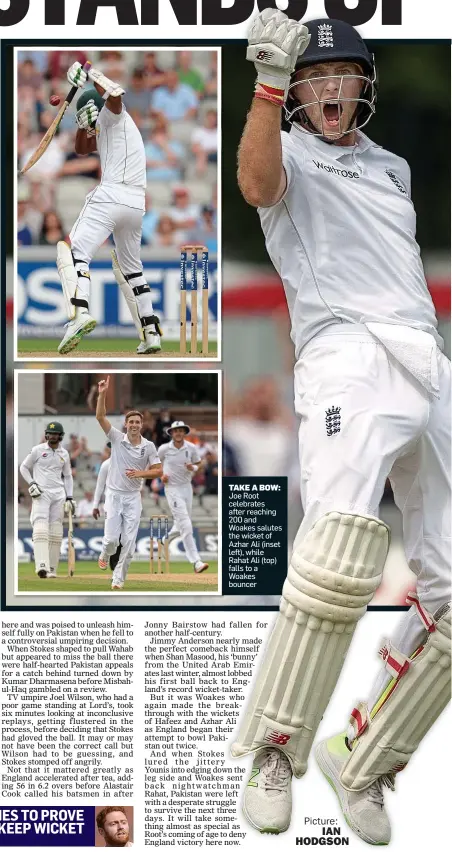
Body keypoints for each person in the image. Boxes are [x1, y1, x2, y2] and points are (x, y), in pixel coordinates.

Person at [231, 11, 451, 843]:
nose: (331, 90)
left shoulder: (391, 167)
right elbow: (253, 188)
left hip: (426, 357)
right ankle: (275, 749)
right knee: (339, 555)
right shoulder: (282, 150)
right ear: (299, 90)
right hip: (344, 354)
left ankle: (364, 757)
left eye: (344, 76)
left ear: (363, 86)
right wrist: (266, 82)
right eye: (315, 78)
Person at [56, 61, 162, 356]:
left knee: (72, 250)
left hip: (112, 194)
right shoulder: (103, 126)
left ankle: (80, 314)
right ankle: (151, 333)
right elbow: (81, 148)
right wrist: (82, 125)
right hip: (135, 204)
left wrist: (91, 75)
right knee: (132, 269)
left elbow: (115, 94)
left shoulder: (113, 113)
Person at [96, 376, 162, 590]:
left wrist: (140, 473)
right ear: (126, 424)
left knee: (130, 544)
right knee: (111, 540)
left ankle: (118, 579)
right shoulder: (116, 437)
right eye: (130, 422)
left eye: (137, 422)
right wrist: (103, 393)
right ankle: (105, 552)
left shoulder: (149, 446)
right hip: (114, 496)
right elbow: (100, 416)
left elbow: (159, 471)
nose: (133, 425)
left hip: (133, 498)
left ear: (142, 425)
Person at [126, 421, 208, 573]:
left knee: (182, 524)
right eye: (175, 431)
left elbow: (200, 463)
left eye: (181, 431)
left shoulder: (191, 448)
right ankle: (196, 561)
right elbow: (154, 466)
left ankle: (165, 539)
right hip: (172, 489)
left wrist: (194, 467)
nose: (178, 433)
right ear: (171, 433)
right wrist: (161, 477)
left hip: (187, 488)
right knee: (186, 524)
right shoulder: (164, 449)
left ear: (184, 432)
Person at [19, 422, 76, 579]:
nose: (52, 436)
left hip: (59, 494)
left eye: (55, 433)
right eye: (50, 433)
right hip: (41, 493)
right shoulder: (37, 450)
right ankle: (41, 566)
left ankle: (52, 569)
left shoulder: (64, 453)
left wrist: (69, 497)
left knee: (56, 531)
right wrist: (32, 483)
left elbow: (68, 476)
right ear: (46, 435)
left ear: (60, 436)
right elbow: (23, 467)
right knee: (40, 528)